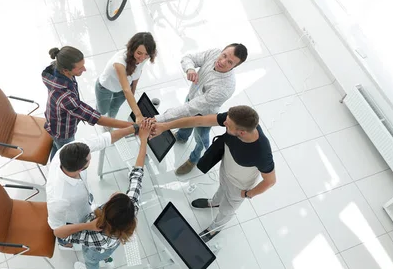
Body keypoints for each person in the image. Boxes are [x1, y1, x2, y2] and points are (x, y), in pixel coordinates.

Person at [152, 105, 275, 241]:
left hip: (240, 186)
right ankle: (214, 202)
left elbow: (270, 181)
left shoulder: (262, 152)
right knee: (222, 188)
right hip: (226, 170)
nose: (224, 123)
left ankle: (214, 228)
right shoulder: (234, 119)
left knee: (227, 210)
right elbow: (198, 121)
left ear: (241, 132)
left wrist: (248, 194)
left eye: (228, 125)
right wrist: (164, 126)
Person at [53, 120, 152, 269]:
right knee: (106, 252)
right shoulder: (131, 207)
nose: (115, 193)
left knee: (91, 261)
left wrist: (86, 226)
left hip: (94, 250)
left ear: (107, 211)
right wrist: (143, 139)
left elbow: (61, 233)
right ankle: (107, 259)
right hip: (112, 244)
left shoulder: (94, 233)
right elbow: (138, 173)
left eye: (113, 198)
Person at [155, 44, 248, 175]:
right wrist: (190, 69)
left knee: (201, 139)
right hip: (192, 97)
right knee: (184, 122)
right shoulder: (214, 52)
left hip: (205, 115)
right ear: (222, 51)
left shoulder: (224, 88)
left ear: (234, 67)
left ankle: (194, 159)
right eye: (224, 55)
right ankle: (182, 137)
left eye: (229, 62)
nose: (222, 61)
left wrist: (159, 119)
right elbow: (188, 58)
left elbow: (190, 109)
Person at [46, 123, 142, 248]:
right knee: (68, 238)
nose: (91, 158)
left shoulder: (71, 150)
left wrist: (133, 129)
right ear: (80, 169)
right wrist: (87, 226)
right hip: (75, 219)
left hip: (88, 209)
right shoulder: (59, 199)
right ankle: (64, 245)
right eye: (89, 160)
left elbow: (104, 140)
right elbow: (57, 230)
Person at [42, 46, 133, 159]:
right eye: (80, 68)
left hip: (56, 118)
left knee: (57, 146)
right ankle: (55, 171)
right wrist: (133, 126)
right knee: (62, 155)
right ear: (66, 70)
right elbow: (96, 118)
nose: (84, 69)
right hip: (62, 130)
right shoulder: (64, 96)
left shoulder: (58, 71)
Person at [95, 32, 157, 121]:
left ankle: (110, 122)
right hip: (105, 87)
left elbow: (138, 72)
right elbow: (126, 89)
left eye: (146, 54)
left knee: (115, 107)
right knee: (102, 110)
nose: (142, 58)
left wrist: (133, 90)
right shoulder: (119, 63)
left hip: (123, 87)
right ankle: (96, 111)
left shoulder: (143, 58)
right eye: (139, 53)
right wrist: (138, 115)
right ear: (132, 49)